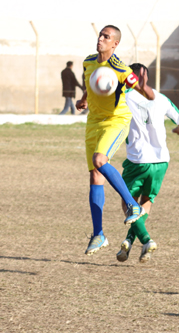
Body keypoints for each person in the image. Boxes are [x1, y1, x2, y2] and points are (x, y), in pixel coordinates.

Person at [76, 25, 155, 256]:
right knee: (95, 175)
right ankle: (98, 235)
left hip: (115, 121)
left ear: (115, 44)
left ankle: (132, 205)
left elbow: (141, 90)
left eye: (106, 37)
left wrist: (146, 90)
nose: (100, 39)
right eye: (100, 35)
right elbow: (91, 83)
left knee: (100, 160)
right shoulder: (88, 62)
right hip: (93, 122)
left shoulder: (120, 68)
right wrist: (84, 99)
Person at [115, 63, 179, 263]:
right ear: (146, 77)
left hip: (137, 161)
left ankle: (146, 240)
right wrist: (177, 130)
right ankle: (129, 240)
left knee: (128, 202)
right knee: (147, 201)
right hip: (161, 160)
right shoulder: (161, 98)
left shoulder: (123, 97)